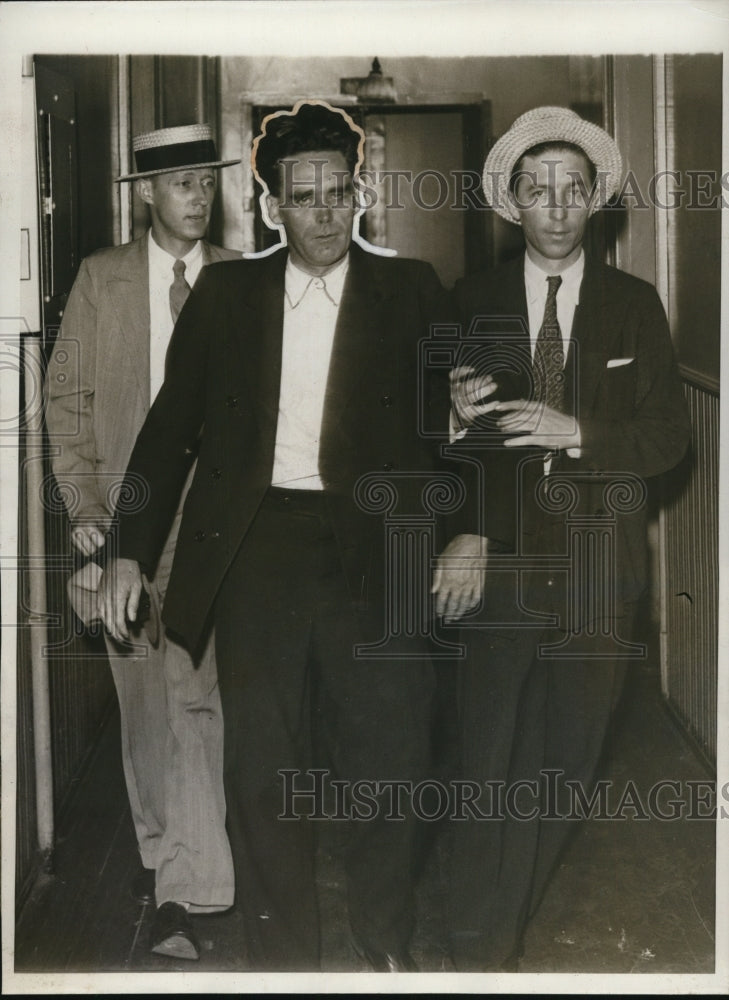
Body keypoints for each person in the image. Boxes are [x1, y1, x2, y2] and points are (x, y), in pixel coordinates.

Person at [95, 100, 450, 972]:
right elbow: (171, 426)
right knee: (263, 771)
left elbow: (450, 435)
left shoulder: (409, 289)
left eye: (339, 191)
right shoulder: (228, 294)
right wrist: (129, 547)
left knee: (390, 760)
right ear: (269, 207)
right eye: (304, 195)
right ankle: (285, 960)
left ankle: (383, 942)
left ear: (358, 195)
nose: (325, 211)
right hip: (262, 548)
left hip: (373, 547)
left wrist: (459, 534)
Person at [432, 106, 691, 971]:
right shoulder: (468, 300)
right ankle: (480, 948)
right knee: (485, 766)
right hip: (500, 566)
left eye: (570, 190)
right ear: (513, 201)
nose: (554, 205)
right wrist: (455, 458)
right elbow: (444, 447)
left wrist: (575, 430)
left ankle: (497, 926)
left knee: (565, 769)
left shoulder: (632, 306)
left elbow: (667, 441)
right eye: (536, 189)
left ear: (594, 203)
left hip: (595, 571)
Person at [44, 124, 241, 960]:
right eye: (183, 184)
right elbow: (66, 407)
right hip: (123, 522)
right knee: (144, 708)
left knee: (194, 697)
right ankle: (165, 856)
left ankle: (187, 893)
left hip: (213, 526)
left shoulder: (241, 281)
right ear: (146, 195)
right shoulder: (102, 279)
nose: (198, 198)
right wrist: (89, 519)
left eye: (207, 182)